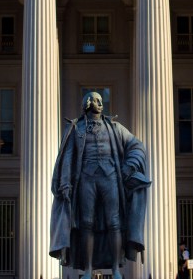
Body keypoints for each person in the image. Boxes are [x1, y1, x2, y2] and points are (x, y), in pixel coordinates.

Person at [50, 92, 151, 279]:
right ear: (87, 103)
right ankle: (87, 270)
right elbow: (67, 157)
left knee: (115, 223)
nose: (100, 103)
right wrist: (65, 182)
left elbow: (137, 145)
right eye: (96, 100)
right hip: (86, 179)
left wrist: (129, 165)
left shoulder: (115, 127)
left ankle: (115, 269)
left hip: (111, 178)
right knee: (86, 223)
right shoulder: (76, 128)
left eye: (101, 100)